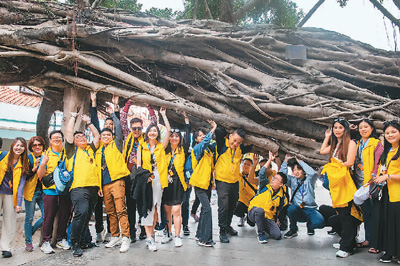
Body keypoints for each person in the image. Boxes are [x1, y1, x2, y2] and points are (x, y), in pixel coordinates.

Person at [320, 118, 359, 258]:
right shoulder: (336, 144)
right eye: (335, 127)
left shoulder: (351, 143)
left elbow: (349, 162)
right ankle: (347, 241)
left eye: (340, 127)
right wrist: (327, 137)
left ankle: (347, 247)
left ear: (346, 129)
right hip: (336, 182)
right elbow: (322, 150)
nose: (337, 130)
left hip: (344, 182)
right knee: (341, 213)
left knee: (345, 215)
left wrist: (336, 164)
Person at [95, 104, 131, 253]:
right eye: (103, 136)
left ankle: (126, 237)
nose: (105, 137)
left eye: (108, 135)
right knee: (110, 212)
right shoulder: (98, 152)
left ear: (112, 136)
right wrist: (99, 187)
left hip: (117, 181)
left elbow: (117, 126)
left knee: (121, 210)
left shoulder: (116, 145)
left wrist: (114, 113)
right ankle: (115, 235)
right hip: (105, 185)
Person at [65, 112, 101, 257]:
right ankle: (74, 243)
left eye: (83, 136)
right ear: (73, 141)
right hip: (78, 187)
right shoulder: (71, 150)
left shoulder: (90, 149)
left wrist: (89, 122)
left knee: (87, 215)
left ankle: (84, 240)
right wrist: (73, 117)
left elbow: (97, 136)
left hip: (93, 187)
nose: (81, 138)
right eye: (78, 137)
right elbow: (68, 132)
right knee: (81, 213)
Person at [121, 100, 157, 242]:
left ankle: (144, 230)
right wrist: (128, 103)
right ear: (131, 128)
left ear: (143, 129)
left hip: (143, 175)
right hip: (130, 175)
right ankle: (132, 232)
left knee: (142, 203)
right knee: (130, 204)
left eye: (139, 129)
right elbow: (123, 120)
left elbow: (154, 122)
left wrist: (149, 106)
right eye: (134, 128)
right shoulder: (127, 138)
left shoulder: (146, 140)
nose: (136, 131)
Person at [137, 108, 170, 252]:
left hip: (158, 180)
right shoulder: (141, 147)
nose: (152, 133)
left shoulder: (161, 147)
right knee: (147, 208)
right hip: (146, 181)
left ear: (157, 134)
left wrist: (162, 115)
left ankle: (152, 235)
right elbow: (138, 167)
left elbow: (168, 131)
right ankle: (149, 238)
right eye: (150, 131)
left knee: (156, 208)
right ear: (147, 133)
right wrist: (145, 177)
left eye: (155, 131)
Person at [90, 92, 120, 243]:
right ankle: (98, 231)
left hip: (112, 177)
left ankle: (111, 231)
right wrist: (93, 103)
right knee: (97, 205)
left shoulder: (116, 142)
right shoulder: (99, 140)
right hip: (98, 177)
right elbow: (94, 123)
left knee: (112, 206)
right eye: (106, 125)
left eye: (111, 125)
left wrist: (115, 108)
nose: (108, 127)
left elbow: (119, 123)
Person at [214, 127, 251, 243]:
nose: (235, 144)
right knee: (223, 206)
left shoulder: (240, 149)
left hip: (235, 181)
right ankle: (222, 231)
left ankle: (228, 225)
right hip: (222, 180)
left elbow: (250, 146)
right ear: (230, 136)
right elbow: (219, 131)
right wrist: (228, 131)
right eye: (234, 140)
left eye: (239, 142)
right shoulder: (222, 144)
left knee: (232, 205)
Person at [37, 130, 72, 254]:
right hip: (50, 191)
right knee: (49, 217)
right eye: (54, 138)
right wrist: (43, 163)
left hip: (64, 191)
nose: (57, 139)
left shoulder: (67, 153)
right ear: (50, 140)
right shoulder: (46, 154)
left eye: (59, 137)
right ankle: (45, 241)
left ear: (62, 139)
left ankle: (61, 239)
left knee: (64, 216)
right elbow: (40, 175)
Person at [352, 119, 383, 250]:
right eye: (360, 127)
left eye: (366, 127)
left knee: (376, 213)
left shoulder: (376, 143)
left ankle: (377, 242)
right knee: (366, 213)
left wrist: (373, 183)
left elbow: (378, 164)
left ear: (372, 129)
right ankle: (369, 239)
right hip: (359, 183)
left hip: (370, 184)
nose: (363, 129)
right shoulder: (356, 143)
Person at [161, 112, 190, 247]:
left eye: (176, 136)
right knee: (167, 210)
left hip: (178, 183)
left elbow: (188, 136)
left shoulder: (182, 150)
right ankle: (168, 233)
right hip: (166, 183)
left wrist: (186, 120)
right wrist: (163, 115)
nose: (174, 138)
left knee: (176, 211)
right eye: (172, 136)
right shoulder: (164, 151)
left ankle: (177, 236)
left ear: (180, 138)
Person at [373, 120, 400, 263]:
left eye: (394, 131)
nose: (390, 135)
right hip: (387, 192)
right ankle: (390, 251)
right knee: (389, 223)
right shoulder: (387, 151)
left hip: (398, 193)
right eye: (387, 133)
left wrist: (387, 176)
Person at [280, 154, 325, 238]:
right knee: (291, 209)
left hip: (310, 209)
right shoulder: (292, 180)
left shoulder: (309, 180)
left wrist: (300, 161)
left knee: (320, 223)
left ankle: (310, 225)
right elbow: (282, 176)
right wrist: (285, 161)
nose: (296, 172)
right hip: (298, 209)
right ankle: (293, 229)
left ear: (303, 170)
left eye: (298, 169)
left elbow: (313, 173)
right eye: (294, 170)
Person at [188, 120, 217, 247]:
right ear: (196, 140)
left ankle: (200, 235)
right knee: (207, 209)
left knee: (205, 210)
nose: (203, 136)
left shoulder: (207, 151)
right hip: (199, 184)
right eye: (200, 135)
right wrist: (214, 128)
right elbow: (207, 141)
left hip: (207, 184)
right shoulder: (197, 149)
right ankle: (206, 239)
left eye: (203, 134)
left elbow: (214, 145)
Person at [0, 137, 28, 258]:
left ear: (24, 149)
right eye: (17, 145)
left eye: (21, 146)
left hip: (12, 195)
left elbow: (21, 186)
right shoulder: (2, 156)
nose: (18, 148)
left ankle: (6, 248)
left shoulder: (24, 164)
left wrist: (19, 203)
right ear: (12, 146)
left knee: (10, 221)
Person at [247, 172, 288, 244]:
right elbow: (262, 171)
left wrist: (276, 219)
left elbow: (279, 210)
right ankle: (260, 234)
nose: (273, 179)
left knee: (277, 235)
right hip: (254, 212)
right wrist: (270, 160)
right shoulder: (265, 186)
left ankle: (261, 225)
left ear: (281, 184)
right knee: (260, 211)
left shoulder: (282, 197)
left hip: (267, 217)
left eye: (276, 179)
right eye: (274, 177)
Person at [23, 136, 46, 252]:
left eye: (39, 145)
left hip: (43, 191)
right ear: (31, 147)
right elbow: (24, 176)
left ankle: (30, 231)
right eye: (34, 145)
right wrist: (34, 167)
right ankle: (29, 242)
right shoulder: (28, 158)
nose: (37, 147)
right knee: (29, 217)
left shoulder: (46, 156)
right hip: (31, 191)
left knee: (46, 215)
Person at [234, 156, 258, 227]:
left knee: (251, 223)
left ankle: (249, 216)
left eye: (248, 165)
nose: (246, 166)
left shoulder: (255, 175)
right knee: (234, 207)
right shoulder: (238, 175)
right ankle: (241, 216)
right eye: (245, 164)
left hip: (252, 203)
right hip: (242, 202)